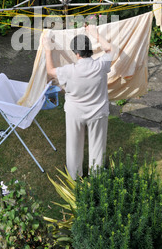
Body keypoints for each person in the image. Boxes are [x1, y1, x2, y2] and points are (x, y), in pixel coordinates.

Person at [43, 24, 113, 180]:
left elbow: (50, 71)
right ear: (90, 50)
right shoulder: (101, 65)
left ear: (76, 53)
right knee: (97, 144)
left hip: (75, 113)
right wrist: (95, 33)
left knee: (73, 145)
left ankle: (75, 176)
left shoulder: (68, 71)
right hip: (98, 112)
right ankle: (96, 176)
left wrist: (48, 49)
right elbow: (109, 49)